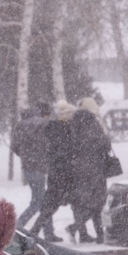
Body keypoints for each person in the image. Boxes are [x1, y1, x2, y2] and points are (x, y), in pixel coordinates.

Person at [27, 100, 80, 240]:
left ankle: (34, 232)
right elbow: (64, 153)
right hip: (65, 174)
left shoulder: (53, 129)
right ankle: (78, 230)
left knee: (50, 206)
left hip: (56, 174)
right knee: (76, 203)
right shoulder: (65, 131)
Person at [13, 102, 60, 242]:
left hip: (28, 168)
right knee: (38, 203)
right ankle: (16, 228)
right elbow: (50, 142)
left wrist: (26, 156)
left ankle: (49, 232)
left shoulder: (20, 126)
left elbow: (14, 146)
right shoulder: (43, 123)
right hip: (41, 166)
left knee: (43, 200)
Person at [67, 108, 112, 243]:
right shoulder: (94, 127)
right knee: (98, 203)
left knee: (84, 203)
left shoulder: (73, 129)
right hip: (96, 171)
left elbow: (71, 150)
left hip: (78, 172)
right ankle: (80, 229)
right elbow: (105, 146)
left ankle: (93, 233)